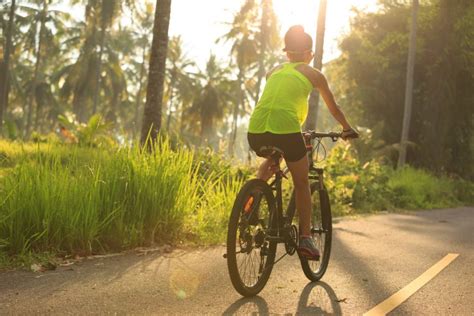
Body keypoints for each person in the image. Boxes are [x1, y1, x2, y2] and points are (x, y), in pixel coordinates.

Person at [247, 25, 358, 260]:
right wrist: (347, 129)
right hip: (286, 131)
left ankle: (252, 199)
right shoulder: (314, 74)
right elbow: (334, 108)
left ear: (286, 53)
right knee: (301, 183)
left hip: (256, 131)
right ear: (310, 54)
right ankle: (306, 238)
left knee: (271, 159)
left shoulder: (273, 71)